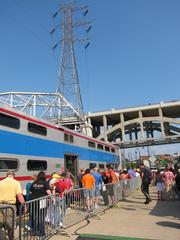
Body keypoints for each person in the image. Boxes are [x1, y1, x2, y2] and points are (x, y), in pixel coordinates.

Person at [0, 171, 26, 240]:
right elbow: (19, 195)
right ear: (13, 175)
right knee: (10, 225)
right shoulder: (16, 182)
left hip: (0, 205)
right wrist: (24, 205)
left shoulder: (1, 182)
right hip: (9, 207)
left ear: (7, 175)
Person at [29, 171, 51, 236]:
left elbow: (30, 192)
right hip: (42, 201)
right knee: (41, 216)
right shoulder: (45, 183)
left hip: (34, 201)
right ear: (44, 176)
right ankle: (42, 232)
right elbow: (48, 192)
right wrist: (53, 197)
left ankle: (34, 231)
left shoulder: (34, 182)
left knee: (35, 216)